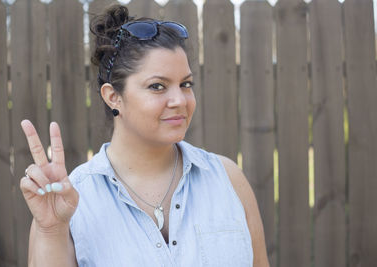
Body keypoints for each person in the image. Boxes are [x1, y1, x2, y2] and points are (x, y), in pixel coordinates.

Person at [20, 4, 269, 267]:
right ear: (113, 97)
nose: (179, 100)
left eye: (185, 84)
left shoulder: (227, 180)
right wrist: (51, 231)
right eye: (157, 86)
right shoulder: (69, 202)